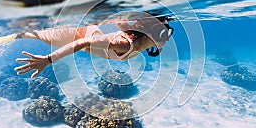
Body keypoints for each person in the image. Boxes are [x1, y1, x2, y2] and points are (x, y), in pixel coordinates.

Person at [14, 17, 174, 78]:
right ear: (150, 33)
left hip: (85, 33)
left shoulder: (143, 42)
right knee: (39, 33)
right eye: (164, 33)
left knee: (38, 34)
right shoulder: (125, 44)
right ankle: (18, 30)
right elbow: (82, 42)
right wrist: (48, 60)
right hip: (75, 35)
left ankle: (19, 34)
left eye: (168, 33)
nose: (167, 38)